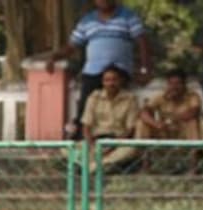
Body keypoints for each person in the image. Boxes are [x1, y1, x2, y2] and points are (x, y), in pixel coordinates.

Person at [49, 0, 151, 140]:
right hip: (93, 72)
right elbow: (73, 45)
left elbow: (142, 41)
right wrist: (54, 57)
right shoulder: (87, 20)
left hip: (119, 72)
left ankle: (118, 144)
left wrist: (144, 69)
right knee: (86, 110)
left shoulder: (128, 16)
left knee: (119, 108)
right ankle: (82, 145)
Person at [81, 66, 141, 172]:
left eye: (114, 80)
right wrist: (92, 145)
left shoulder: (130, 99)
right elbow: (86, 125)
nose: (111, 83)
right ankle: (101, 166)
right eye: (107, 80)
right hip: (97, 142)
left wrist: (113, 147)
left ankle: (95, 167)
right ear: (103, 82)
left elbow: (130, 129)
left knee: (131, 150)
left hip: (118, 143)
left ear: (121, 81)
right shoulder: (94, 97)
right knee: (69, 149)